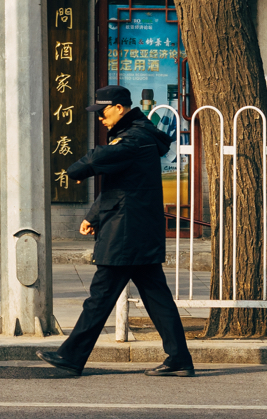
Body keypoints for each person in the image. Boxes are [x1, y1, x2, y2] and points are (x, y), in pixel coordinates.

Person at [39, 85, 194, 379]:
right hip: (133, 228)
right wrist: (94, 216)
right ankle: (179, 358)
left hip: (125, 233)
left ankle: (70, 356)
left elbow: (97, 160)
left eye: (103, 112)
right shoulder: (139, 135)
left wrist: (72, 171)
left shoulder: (134, 139)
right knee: (157, 298)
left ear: (120, 108)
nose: (100, 118)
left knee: (101, 296)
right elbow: (120, 185)